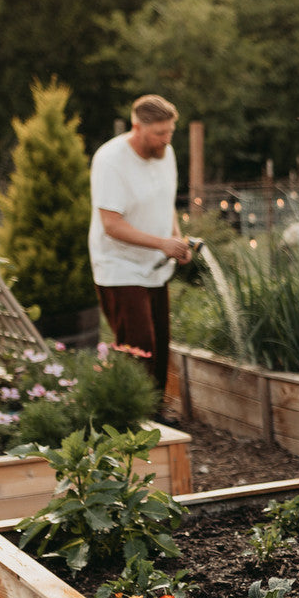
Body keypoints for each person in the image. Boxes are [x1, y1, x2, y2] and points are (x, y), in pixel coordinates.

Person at [88, 94, 192, 392]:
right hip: (118, 266)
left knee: (160, 342)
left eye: (170, 131)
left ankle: (155, 413)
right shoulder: (110, 160)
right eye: (159, 133)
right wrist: (162, 244)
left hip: (156, 264)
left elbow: (166, 201)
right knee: (139, 347)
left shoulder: (166, 154)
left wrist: (175, 238)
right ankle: (134, 416)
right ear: (137, 127)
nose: (166, 139)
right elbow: (111, 225)